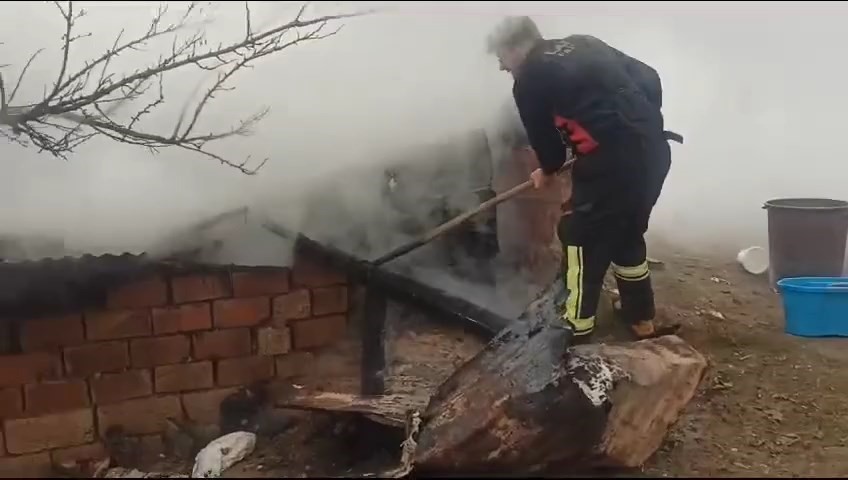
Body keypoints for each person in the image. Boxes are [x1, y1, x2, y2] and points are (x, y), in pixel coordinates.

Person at [486, 16, 674, 342]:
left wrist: (547, 169)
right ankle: (640, 317)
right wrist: (637, 125)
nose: (502, 67)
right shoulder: (584, 43)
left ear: (516, 47)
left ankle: (575, 325)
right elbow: (649, 78)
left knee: (579, 238)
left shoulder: (529, 78)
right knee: (627, 232)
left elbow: (550, 152)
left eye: (501, 57)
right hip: (654, 152)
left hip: (611, 165)